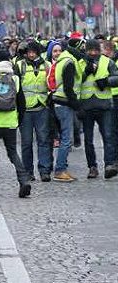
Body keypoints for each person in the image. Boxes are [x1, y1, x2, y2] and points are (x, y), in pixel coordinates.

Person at [0, 50, 31, 198]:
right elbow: (22, 104)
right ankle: (24, 180)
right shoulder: (15, 79)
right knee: (13, 153)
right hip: (10, 122)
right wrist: (18, 121)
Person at [77, 39, 118, 179]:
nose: (93, 53)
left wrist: (106, 81)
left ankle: (109, 165)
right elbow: (74, 84)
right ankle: (92, 167)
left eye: (95, 50)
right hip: (86, 106)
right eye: (90, 50)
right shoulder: (80, 64)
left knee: (108, 136)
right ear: (86, 50)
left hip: (104, 105)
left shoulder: (108, 62)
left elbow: (116, 77)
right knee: (88, 140)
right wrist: (84, 74)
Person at [16, 41, 52, 182]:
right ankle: (28, 172)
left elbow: (51, 84)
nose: (31, 54)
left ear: (38, 52)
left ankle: (44, 171)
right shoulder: (20, 65)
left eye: (33, 52)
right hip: (25, 110)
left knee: (43, 140)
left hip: (42, 107)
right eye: (29, 52)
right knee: (26, 142)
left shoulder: (47, 65)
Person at [50, 40, 82, 182]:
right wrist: (76, 105)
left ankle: (63, 168)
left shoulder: (61, 61)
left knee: (65, 138)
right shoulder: (69, 62)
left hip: (59, 102)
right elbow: (69, 87)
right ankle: (60, 170)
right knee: (67, 140)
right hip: (64, 103)